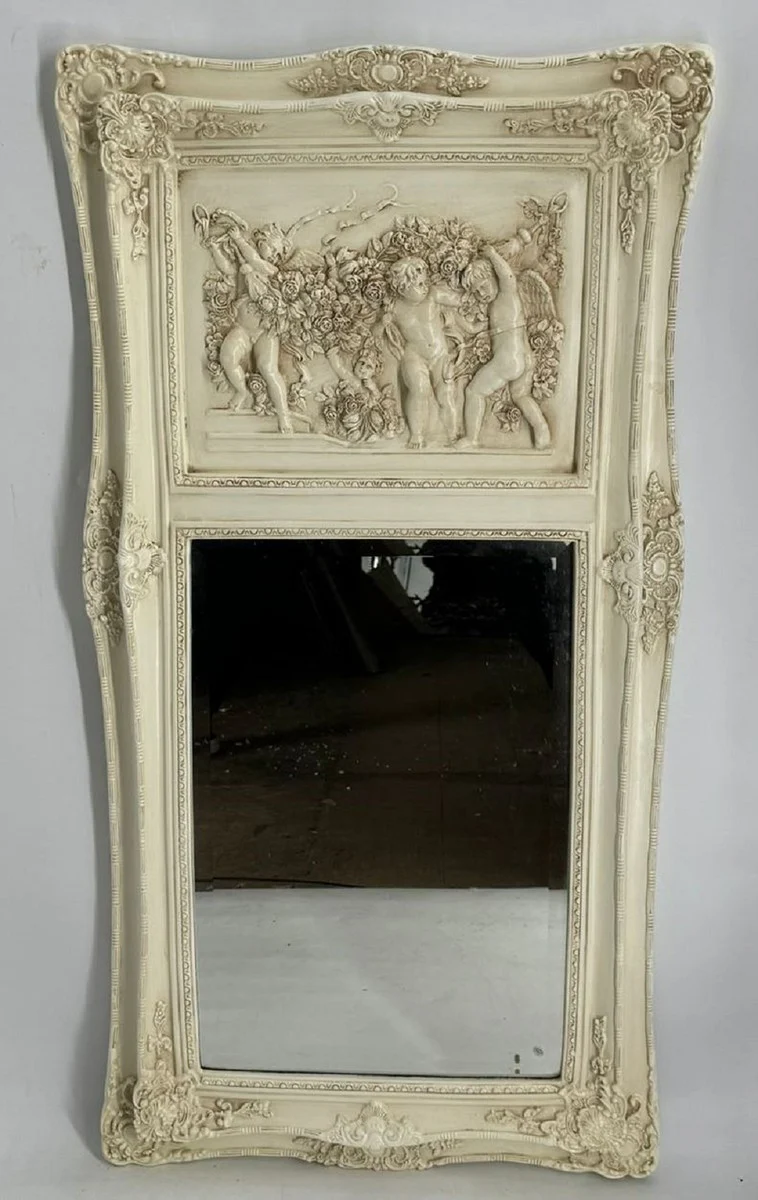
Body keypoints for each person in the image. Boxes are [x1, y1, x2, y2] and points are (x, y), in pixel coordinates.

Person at [458, 236, 551, 450]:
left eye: (483, 286)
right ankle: (542, 431)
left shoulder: (506, 295)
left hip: (508, 360)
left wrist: (492, 255)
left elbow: (508, 276)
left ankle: (471, 438)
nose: (481, 294)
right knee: (521, 395)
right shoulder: (497, 306)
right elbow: (477, 329)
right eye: (476, 292)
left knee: (474, 391)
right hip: (523, 358)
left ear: (493, 276)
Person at [383, 256, 460, 449]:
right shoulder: (395, 308)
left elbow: (458, 300)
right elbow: (376, 333)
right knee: (419, 390)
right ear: (402, 288)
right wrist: (382, 323)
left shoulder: (433, 295)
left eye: (425, 282)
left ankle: (453, 434)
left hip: (439, 354)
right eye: (419, 285)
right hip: (414, 356)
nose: (425, 287)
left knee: (445, 395)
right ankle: (416, 435)